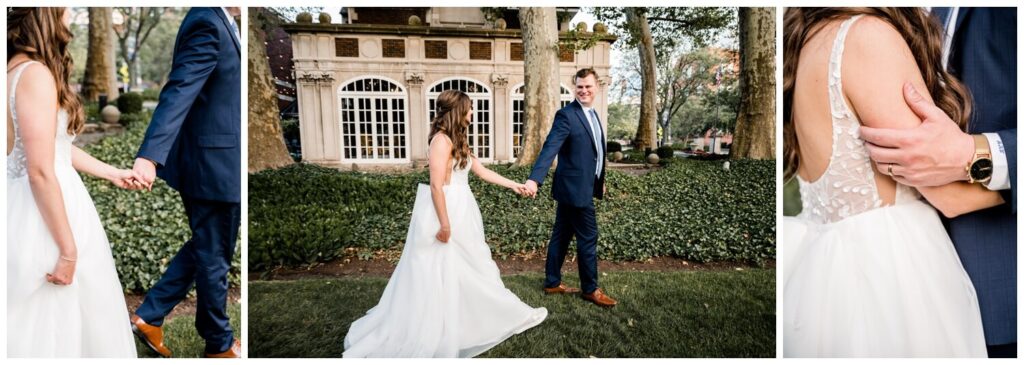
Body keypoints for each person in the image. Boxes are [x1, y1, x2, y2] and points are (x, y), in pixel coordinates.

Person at [782, 8, 1004, 357]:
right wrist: (1009, 176)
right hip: (893, 276)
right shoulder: (868, 38)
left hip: (827, 270)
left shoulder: (807, 40)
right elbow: (950, 196)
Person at [857, 8, 1017, 358]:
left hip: (1001, 291)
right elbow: (948, 197)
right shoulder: (868, 32)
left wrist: (976, 153)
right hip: (908, 289)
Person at [343, 90, 547, 358]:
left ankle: (467, 322)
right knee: (438, 270)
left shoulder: (457, 139)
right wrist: (445, 224)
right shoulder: (440, 141)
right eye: (470, 109)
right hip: (446, 210)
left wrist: (514, 185)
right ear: (457, 111)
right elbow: (436, 186)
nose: (473, 114)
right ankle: (436, 327)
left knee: (470, 267)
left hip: (463, 209)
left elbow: (480, 170)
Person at [6, 7, 140, 358]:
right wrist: (67, 250)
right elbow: (39, 170)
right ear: (45, 16)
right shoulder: (34, 74)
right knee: (55, 318)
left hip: (17, 202)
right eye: (65, 11)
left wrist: (113, 172)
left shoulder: (12, 70)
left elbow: (56, 149)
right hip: (46, 211)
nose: (69, 19)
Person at [128, 7, 242, 358]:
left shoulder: (225, 21)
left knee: (209, 246)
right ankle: (218, 344)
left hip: (222, 161)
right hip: (213, 164)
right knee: (214, 255)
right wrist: (149, 155)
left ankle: (150, 315)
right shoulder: (207, 21)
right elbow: (179, 90)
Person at [523, 68, 616, 307]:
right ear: (574, 88)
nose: (583, 90)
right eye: (579, 86)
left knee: (562, 236)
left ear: (597, 87)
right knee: (588, 237)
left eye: (588, 86)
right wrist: (535, 178)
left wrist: (599, 181)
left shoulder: (593, 115)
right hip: (574, 191)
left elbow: (595, 153)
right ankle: (590, 289)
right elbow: (550, 147)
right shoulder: (566, 115)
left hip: (577, 186)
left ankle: (552, 282)